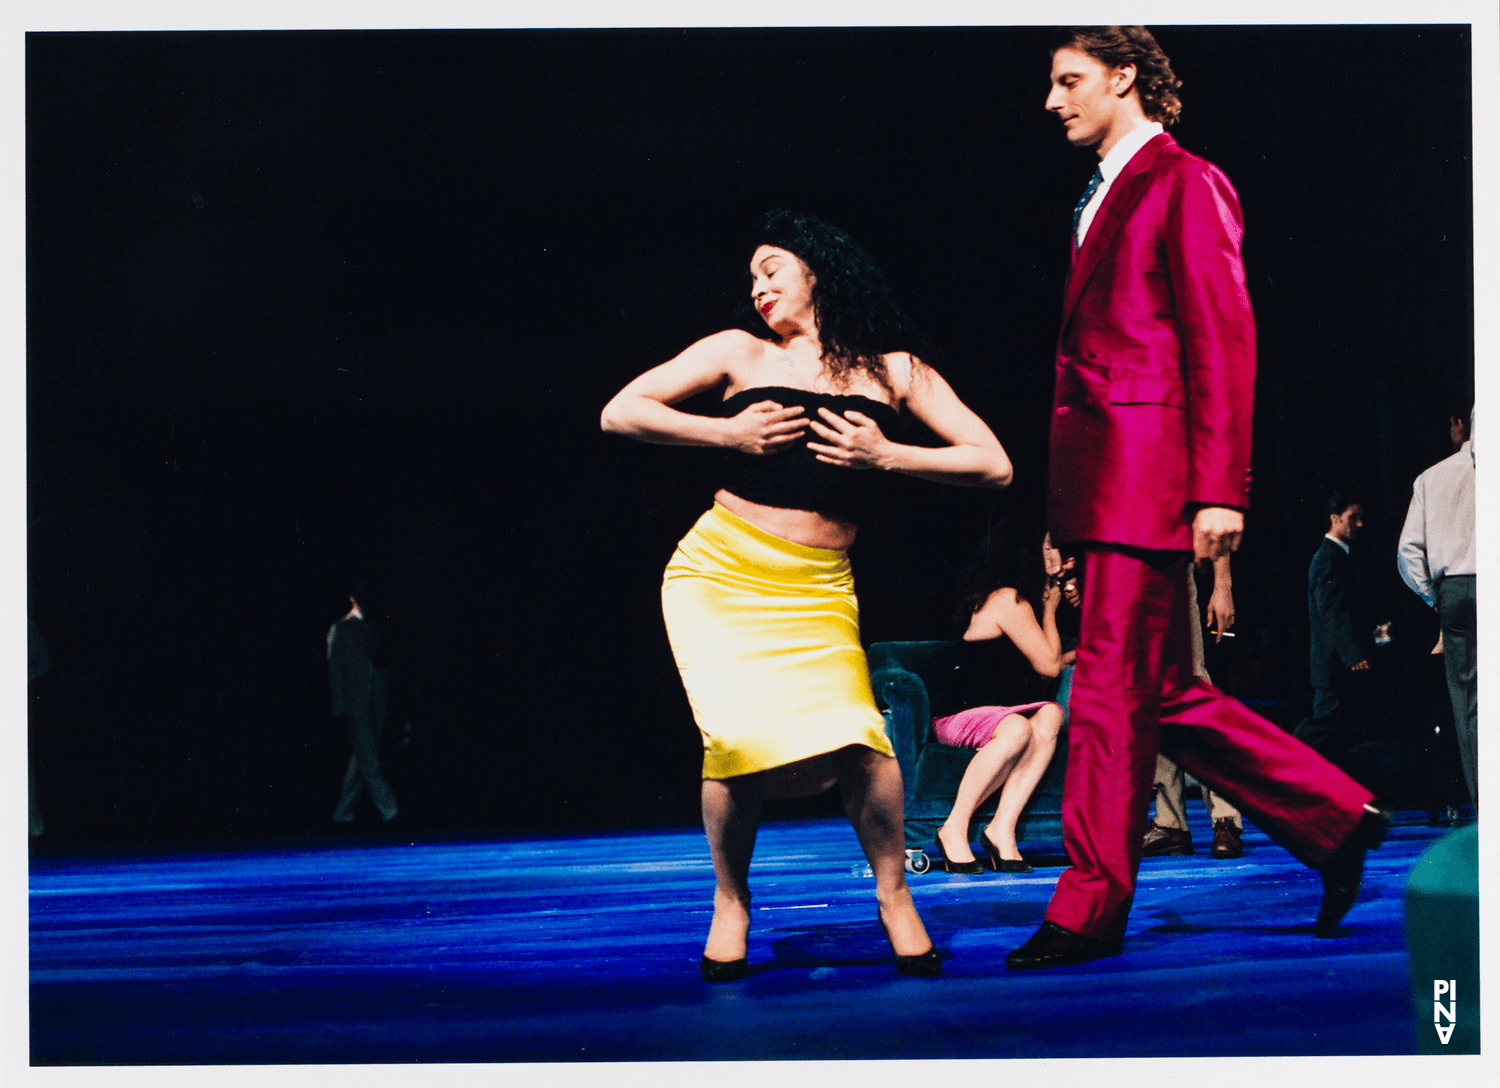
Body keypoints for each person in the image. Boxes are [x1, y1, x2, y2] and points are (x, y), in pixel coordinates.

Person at [1006, 27, 1386, 971]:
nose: (1053, 101)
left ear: (1125, 77)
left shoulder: (1186, 180)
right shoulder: (1096, 193)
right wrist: (1062, 517)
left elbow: (1225, 338)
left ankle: (1088, 908)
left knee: (1102, 691)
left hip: (1151, 479)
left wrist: (1222, 489)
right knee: (1159, 691)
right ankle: (1336, 819)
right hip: (1103, 485)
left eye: (1070, 81)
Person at [600, 209, 1013, 980]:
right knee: (732, 744)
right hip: (719, 574)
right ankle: (731, 903)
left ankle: (895, 896)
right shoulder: (737, 352)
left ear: (817, 269)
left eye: (770, 269)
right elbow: (621, 411)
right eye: (750, 276)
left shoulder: (894, 369)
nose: (756, 287)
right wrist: (726, 437)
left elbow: (993, 464)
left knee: (863, 741)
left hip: (819, 588)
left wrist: (889, 454)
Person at [929, 525, 1068, 874]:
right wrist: (1051, 612)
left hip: (1005, 712)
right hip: (961, 714)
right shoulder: (1008, 598)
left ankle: (1002, 829)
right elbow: (1050, 666)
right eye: (1046, 548)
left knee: (1050, 715)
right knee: (1018, 728)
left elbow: (1047, 662)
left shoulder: (1022, 599)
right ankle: (953, 828)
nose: (1054, 556)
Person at [1141, 556, 1246, 859]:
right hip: (1122, 574)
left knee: (1191, 689)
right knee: (1151, 696)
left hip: (1167, 564)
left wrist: (1222, 582)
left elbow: (1209, 509)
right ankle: (1170, 823)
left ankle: (1225, 817)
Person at [1398, 412, 1476, 811]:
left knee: (1467, 704)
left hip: (1456, 592)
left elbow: (1408, 552)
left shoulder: (1432, 477)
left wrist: (1435, 598)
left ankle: (1485, 808)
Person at [1292, 494, 1387, 763]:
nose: (1359, 524)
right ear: (1335, 518)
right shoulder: (1328, 559)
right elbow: (1334, 614)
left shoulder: (1338, 556)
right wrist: (1354, 656)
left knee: (1333, 726)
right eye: (1353, 517)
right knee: (1321, 724)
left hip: (1338, 663)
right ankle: (1280, 767)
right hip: (1336, 665)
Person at [328, 583, 399, 824]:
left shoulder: (379, 628)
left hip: (378, 701)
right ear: (351, 597)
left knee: (362, 758)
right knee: (369, 758)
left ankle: (342, 813)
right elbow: (335, 671)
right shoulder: (340, 629)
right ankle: (391, 810)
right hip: (356, 704)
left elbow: (388, 665)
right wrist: (339, 710)